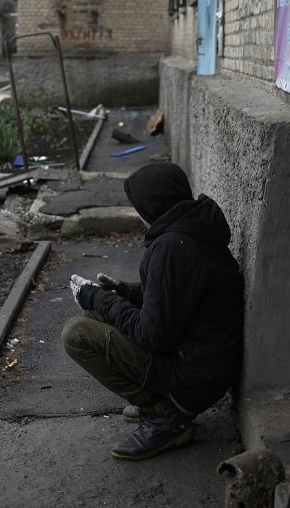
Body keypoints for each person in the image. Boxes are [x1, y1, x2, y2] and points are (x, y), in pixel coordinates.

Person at [62, 162, 244, 461]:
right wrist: (124, 290)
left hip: (193, 378)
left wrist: (100, 299)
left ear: (152, 206)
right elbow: (177, 300)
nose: (139, 216)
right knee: (97, 314)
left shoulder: (172, 248)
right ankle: (163, 405)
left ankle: (165, 416)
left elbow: (153, 336)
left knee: (77, 333)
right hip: (207, 366)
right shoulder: (193, 229)